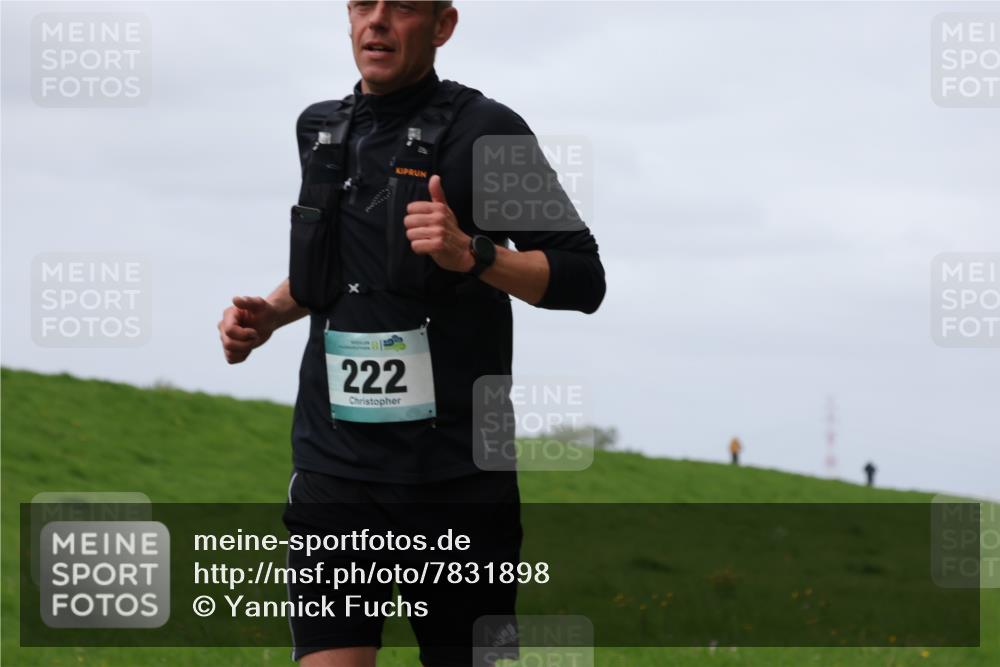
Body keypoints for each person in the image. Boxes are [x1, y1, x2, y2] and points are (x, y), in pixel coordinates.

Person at [217, 2, 605, 666]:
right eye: (363, 5)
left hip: (456, 476)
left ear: (443, 25)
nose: (377, 23)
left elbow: (582, 277)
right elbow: (343, 270)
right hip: (334, 467)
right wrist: (271, 315)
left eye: (400, 8)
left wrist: (475, 254)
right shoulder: (320, 130)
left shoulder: (489, 133)